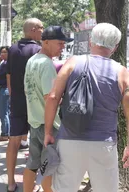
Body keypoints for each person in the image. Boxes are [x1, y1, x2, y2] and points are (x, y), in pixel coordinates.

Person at [44, 23, 128, 192]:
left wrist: (47, 132)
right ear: (115, 46)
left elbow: (53, 97)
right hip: (104, 143)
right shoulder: (122, 72)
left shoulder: (73, 63)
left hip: (69, 140)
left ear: (91, 41)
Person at [23, 26, 73, 192]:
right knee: (50, 166)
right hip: (48, 125)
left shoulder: (33, 60)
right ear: (45, 42)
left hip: (35, 121)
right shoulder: (46, 64)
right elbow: (50, 98)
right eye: (59, 43)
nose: (62, 47)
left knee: (32, 164)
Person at [5, 18, 43, 192]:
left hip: (17, 102)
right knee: (37, 143)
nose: (43, 32)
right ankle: (34, 183)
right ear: (34, 30)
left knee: (13, 142)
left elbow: (8, 77)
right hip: (35, 103)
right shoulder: (38, 50)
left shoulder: (12, 49)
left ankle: (11, 182)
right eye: (41, 28)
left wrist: (14, 97)